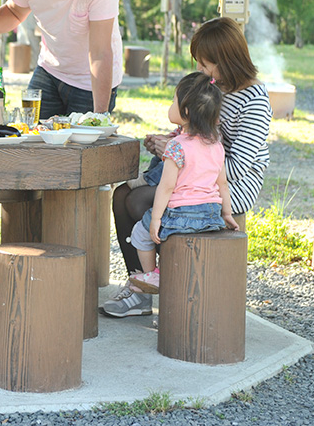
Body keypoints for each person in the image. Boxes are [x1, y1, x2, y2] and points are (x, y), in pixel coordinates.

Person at [103, 16, 271, 318]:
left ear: (227, 60)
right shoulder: (215, 85)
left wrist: (178, 158)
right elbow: (192, 131)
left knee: (139, 199)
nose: (201, 70)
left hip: (229, 185)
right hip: (195, 173)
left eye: (206, 64)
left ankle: (164, 281)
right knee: (121, 195)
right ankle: (141, 285)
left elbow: (237, 166)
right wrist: (169, 144)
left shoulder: (255, 101)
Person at [125, 72, 238, 294]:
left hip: (181, 215)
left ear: (185, 111)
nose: (171, 104)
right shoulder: (217, 145)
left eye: (173, 100)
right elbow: (222, 185)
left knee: (140, 232)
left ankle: (152, 276)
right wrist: (226, 214)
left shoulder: (176, 146)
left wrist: (155, 219)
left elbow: (166, 187)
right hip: (211, 215)